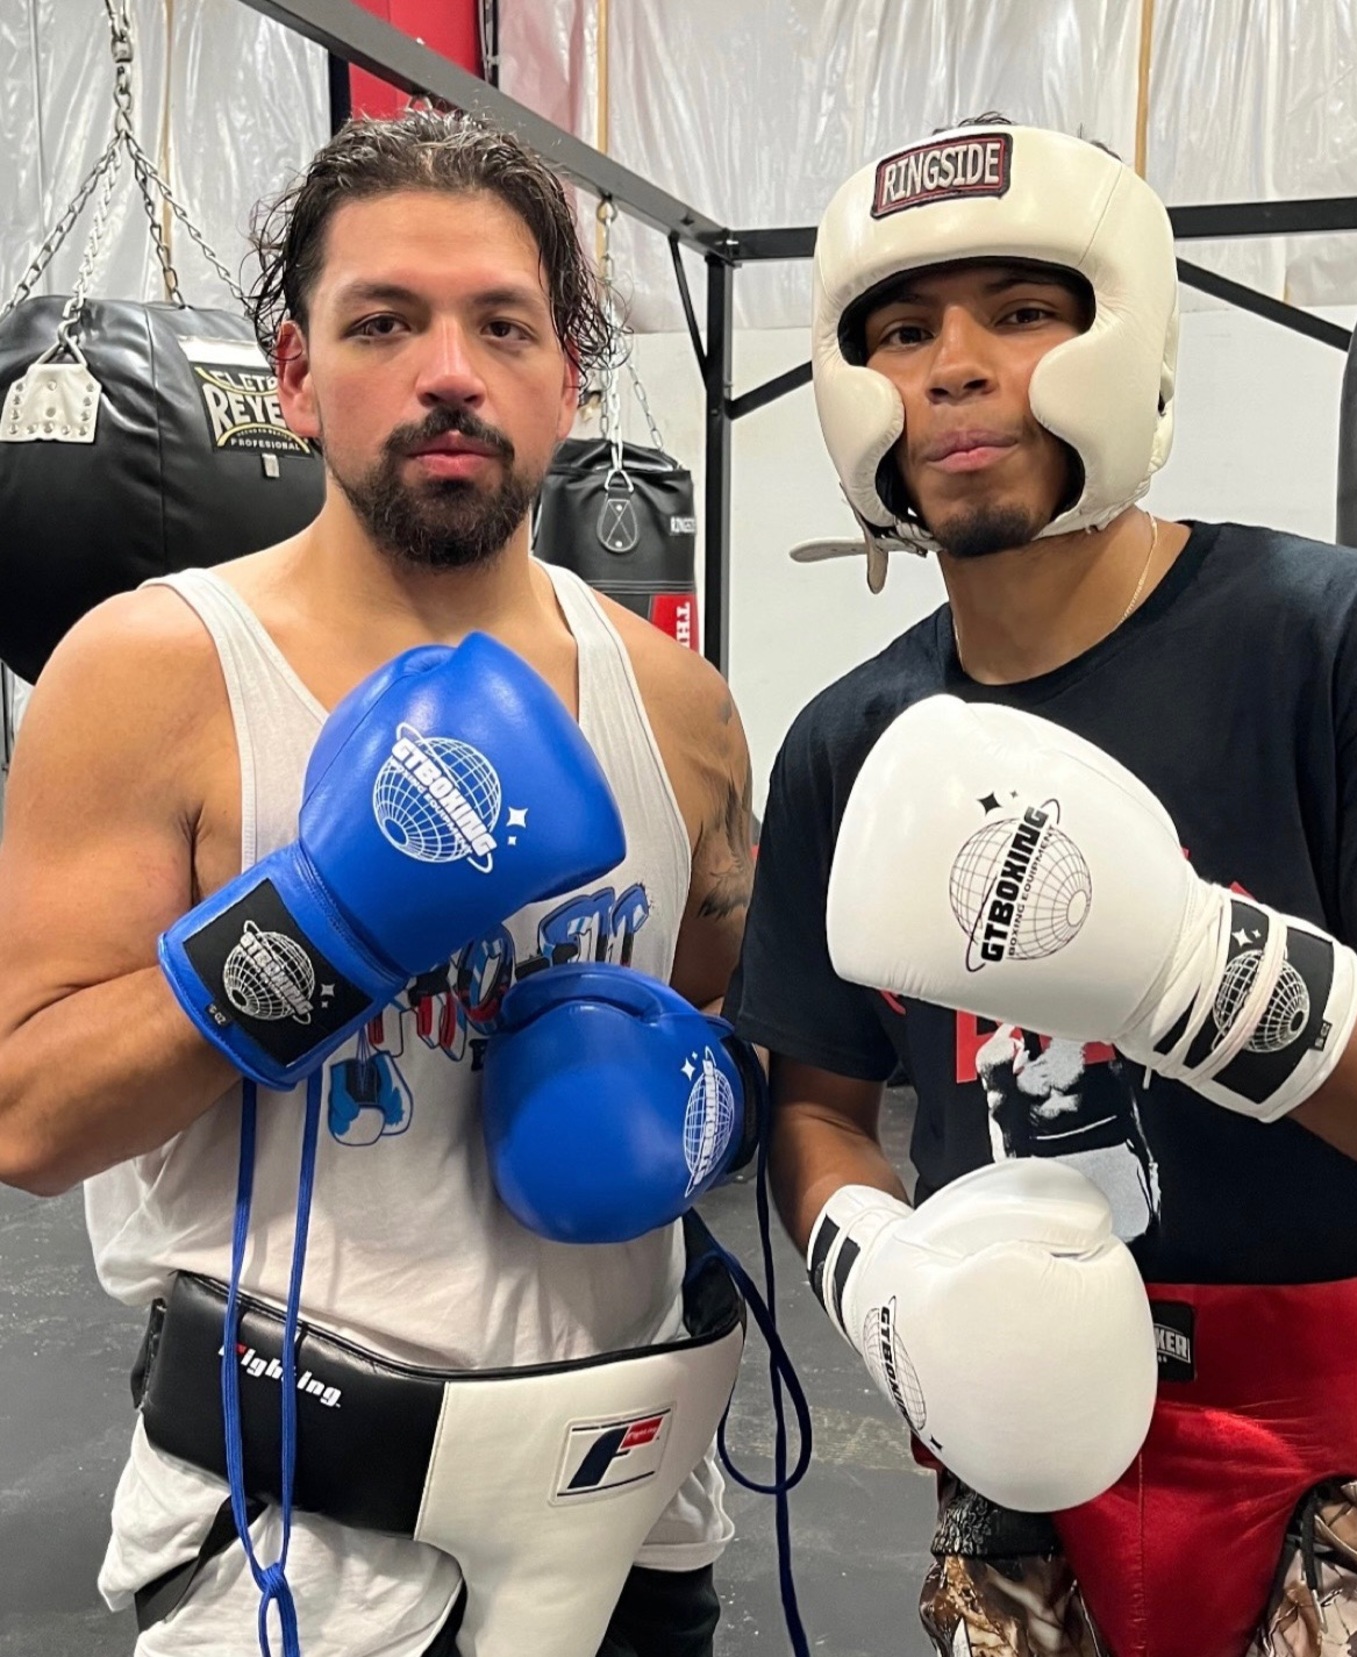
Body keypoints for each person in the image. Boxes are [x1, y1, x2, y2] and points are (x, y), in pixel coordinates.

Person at [730, 115, 1357, 1657]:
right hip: (1013, 1447)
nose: (952, 366)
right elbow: (815, 1106)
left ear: (1126, 330)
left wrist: (1187, 975)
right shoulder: (849, 744)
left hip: (1350, 1446)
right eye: (901, 327)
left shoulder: (1344, 641)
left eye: (1022, 311)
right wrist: (882, 1281)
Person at [0, 110, 755, 1657]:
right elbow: (28, 1116)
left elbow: (706, 1003)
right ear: (294, 376)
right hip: (299, 1560)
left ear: (569, 376)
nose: (450, 371)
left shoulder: (679, 709)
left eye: (501, 323)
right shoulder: (153, 671)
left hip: (629, 1532)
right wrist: (325, 924)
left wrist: (697, 1099)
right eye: (384, 322)